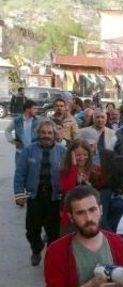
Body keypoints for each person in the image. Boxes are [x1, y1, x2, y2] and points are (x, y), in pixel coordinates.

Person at [14, 120, 66, 266]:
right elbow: (20, 174)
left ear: (54, 134)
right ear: (38, 134)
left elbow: (69, 173)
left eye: (49, 133)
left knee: (53, 232)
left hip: (55, 198)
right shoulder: (28, 150)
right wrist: (19, 194)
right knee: (32, 230)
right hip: (35, 197)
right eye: (43, 132)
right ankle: (36, 249)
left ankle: (51, 257)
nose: (46, 136)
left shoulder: (63, 151)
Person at [59, 140, 103, 233]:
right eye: (78, 155)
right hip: (71, 215)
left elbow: (100, 191)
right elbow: (66, 189)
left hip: (90, 214)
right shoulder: (65, 170)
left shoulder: (95, 170)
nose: (82, 158)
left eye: (85, 154)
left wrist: (89, 187)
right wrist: (74, 167)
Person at [99, 155, 123, 245]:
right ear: (122, 170)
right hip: (114, 237)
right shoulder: (106, 192)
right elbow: (102, 219)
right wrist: (111, 237)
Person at [5, 99, 40, 166]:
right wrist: (11, 140)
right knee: (19, 173)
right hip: (20, 152)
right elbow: (7, 130)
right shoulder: (17, 120)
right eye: (34, 108)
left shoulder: (37, 121)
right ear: (27, 109)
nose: (36, 111)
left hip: (33, 152)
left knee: (32, 173)